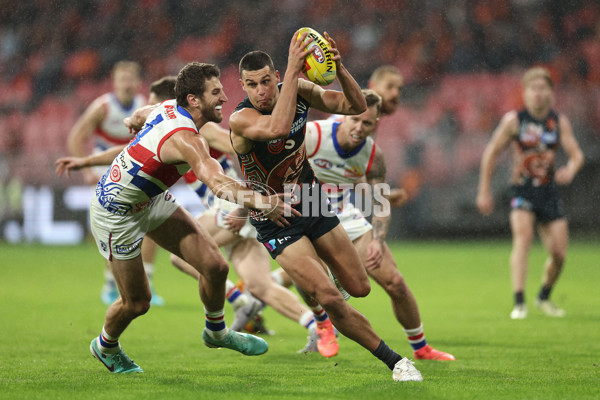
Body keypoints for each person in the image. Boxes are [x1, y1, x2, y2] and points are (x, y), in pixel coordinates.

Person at [56, 62, 298, 373]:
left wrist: (133, 118)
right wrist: (262, 202)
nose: (224, 97)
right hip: (116, 214)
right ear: (194, 100)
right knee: (137, 303)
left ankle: (216, 332)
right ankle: (105, 345)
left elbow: (146, 112)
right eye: (216, 91)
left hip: (151, 200)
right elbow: (217, 182)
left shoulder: (170, 106)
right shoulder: (186, 138)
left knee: (215, 266)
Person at [228, 30, 422, 381]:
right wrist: (291, 69)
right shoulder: (240, 120)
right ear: (242, 86)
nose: (261, 91)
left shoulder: (298, 90)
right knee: (332, 297)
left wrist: (341, 67)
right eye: (253, 84)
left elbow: (355, 106)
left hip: (313, 201)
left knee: (360, 288)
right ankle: (395, 361)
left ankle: (316, 281)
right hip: (275, 220)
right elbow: (279, 127)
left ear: (274, 77)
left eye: (266, 81)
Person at [303, 89, 454, 361]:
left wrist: (378, 240)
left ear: (376, 125)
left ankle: (421, 348)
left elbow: (380, 204)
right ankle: (323, 323)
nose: (360, 128)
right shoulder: (313, 134)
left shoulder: (373, 155)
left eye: (368, 124)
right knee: (311, 276)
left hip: (343, 216)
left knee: (394, 281)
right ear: (345, 115)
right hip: (307, 215)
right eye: (356, 120)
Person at [476, 66, 584, 320]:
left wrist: (571, 168)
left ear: (550, 93)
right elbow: (491, 152)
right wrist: (484, 191)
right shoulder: (514, 121)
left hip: (549, 192)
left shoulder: (558, 122)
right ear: (524, 93)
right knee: (523, 237)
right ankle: (519, 302)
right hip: (522, 189)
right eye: (533, 88)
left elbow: (577, 153)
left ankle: (543, 296)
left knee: (559, 254)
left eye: (543, 88)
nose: (538, 93)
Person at [65, 61, 166, 306]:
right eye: (122, 79)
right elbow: (76, 137)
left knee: (150, 223)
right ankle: (112, 283)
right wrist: (87, 170)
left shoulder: (145, 107)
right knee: (112, 228)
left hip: (137, 169)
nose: (126, 84)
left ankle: (148, 281)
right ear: (114, 81)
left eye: (130, 79)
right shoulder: (102, 107)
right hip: (107, 170)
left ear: (137, 82)